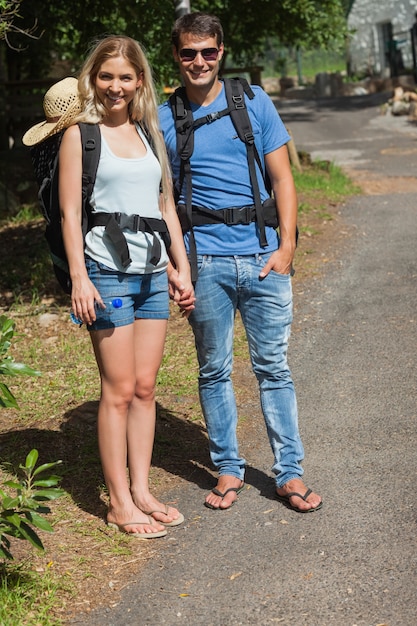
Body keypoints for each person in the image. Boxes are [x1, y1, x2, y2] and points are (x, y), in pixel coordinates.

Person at [159, 12, 322, 513]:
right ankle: (228, 469)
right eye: (189, 52)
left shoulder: (251, 101)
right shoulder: (163, 118)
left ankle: (289, 474)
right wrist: (176, 265)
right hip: (203, 260)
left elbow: (284, 178)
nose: (199, 61)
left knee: (273, 367)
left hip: (262, 255)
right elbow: (160, 198)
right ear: (177, 56)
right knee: (213, 370)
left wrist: (287, 245)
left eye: (208, 51)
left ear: (221, 52)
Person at [58, 35, 195, 537]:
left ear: (140, 81)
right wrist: (79, 278)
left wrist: (180, 268)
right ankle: (118, 502)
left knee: (145, 387)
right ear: (93, 79)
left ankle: (141, 489)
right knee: (116, 391)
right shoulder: (80, 135)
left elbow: (164, 208)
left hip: (153, 275)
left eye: (125, 77)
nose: (116, 87)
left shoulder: (148, 133)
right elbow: (71, 215)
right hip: (107, 274)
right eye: (106, 76)